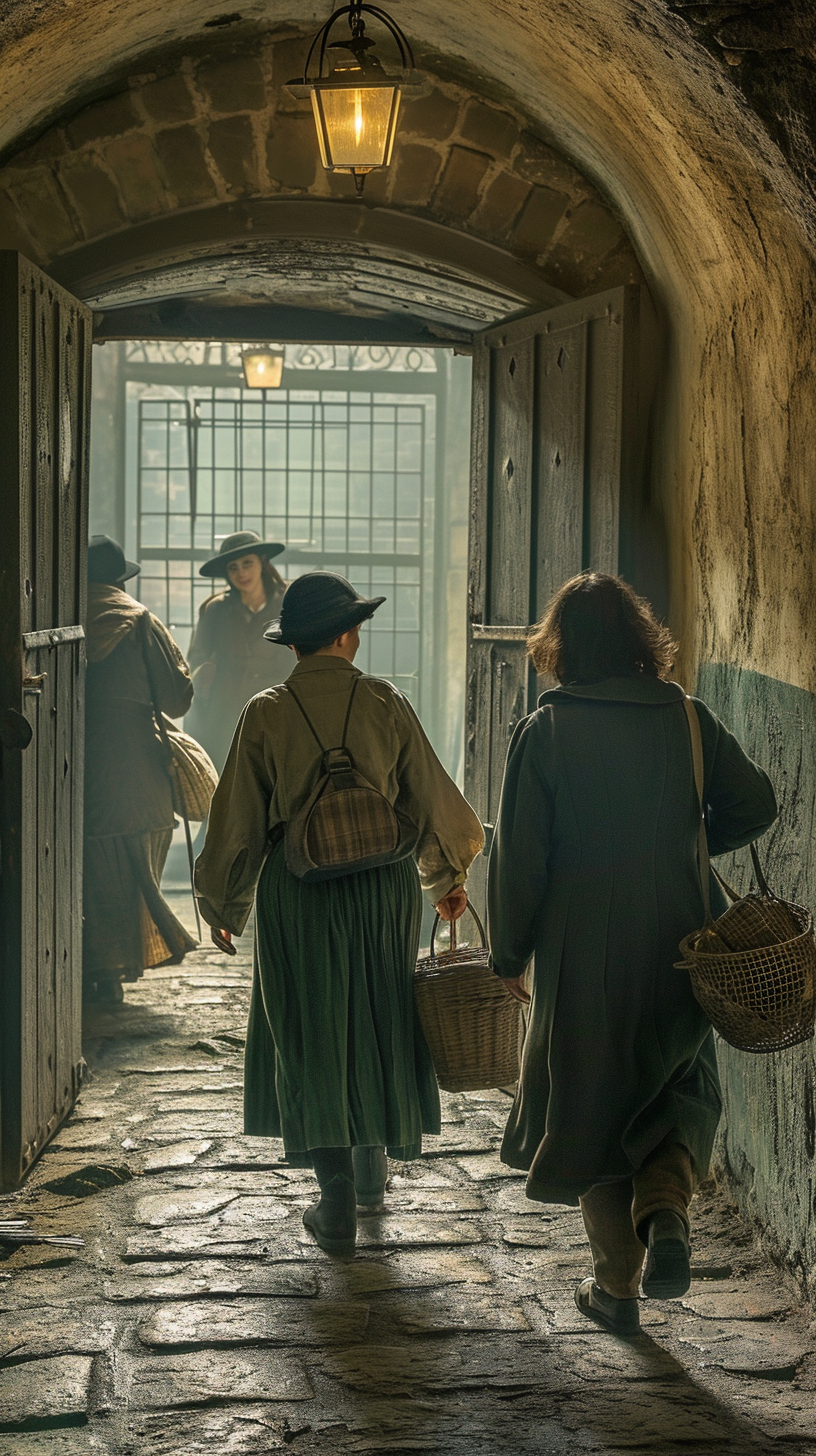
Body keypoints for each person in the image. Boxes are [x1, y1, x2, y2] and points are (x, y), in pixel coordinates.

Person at [487, 572, 777, 1336]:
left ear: (563, 648)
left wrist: (508, 952)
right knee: (676, 1086)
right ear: (639, 639)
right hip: (681, 936)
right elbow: (756, 802)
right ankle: (667, 1210)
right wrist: (686, 845)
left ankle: (617, 1288)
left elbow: (522, 859)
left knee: (591, 1107)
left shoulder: (545, 731)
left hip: (581, 949)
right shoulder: (687, 718)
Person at [196, 571, 484, 1257]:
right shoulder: (386, 701)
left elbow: (234, 824)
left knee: (310, 1027)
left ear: (293, 645)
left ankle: (332, 1201)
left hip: (299, 893)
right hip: (381, 894)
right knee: (379, 1016)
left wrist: (224, 902)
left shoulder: (264, 713)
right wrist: (447, 876)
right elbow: (433, 800)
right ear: (349, 635)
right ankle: (371, 1172)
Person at [83, 535, 197, 1003]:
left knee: (86, 869)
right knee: (131, 872)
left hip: (69, 764)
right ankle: (115, 966)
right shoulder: (140, 620)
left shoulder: (60, 619)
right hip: (136, 772)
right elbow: (175, 696)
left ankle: (95, 966)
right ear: (119, 578)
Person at [185, 531, 293, 773]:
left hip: (278, 713)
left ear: (262, 563)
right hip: (225, 717)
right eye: (233, 568)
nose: (241, 573)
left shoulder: (288, 604)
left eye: (247, 564)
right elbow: (197, 658)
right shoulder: (215, 610)